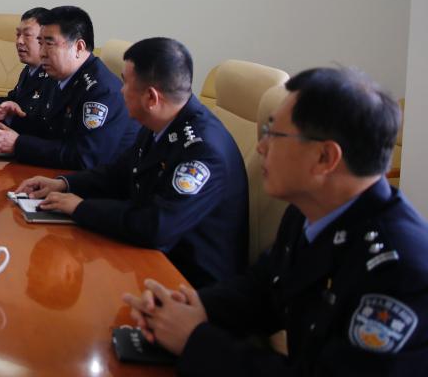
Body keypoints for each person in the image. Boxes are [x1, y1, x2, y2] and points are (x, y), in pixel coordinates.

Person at [123, 66, 428, 375]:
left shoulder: (400, 272)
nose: (261, 146)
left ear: (325, 158)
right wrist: (192, 306)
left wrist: (194, 340)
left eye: (274, 134)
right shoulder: (311, 208)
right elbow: (265, 288)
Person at [17, 37, 247, 287]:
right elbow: (118, 173)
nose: (120, 91)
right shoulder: (162, 121)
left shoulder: (203, 151)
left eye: (126, 83)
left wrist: (81, 207)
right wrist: (64, 184)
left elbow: (156, 226)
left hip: (188, 284)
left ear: (151, 98)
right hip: (150, 259)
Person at [0, 5, 137, 169]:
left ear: (78, 47)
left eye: (49, 44)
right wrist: (12, 118)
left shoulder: (101, 90)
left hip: (100, 181)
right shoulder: (59, 76)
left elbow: (85, 158)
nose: (42, 53)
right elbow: (48, 128)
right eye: (40, 43)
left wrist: (18, 144)